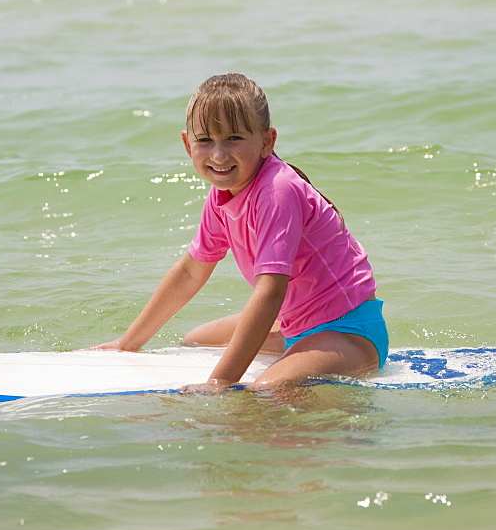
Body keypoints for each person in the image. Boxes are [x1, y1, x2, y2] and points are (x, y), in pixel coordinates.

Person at [98, 73, 388, 392]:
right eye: (205, 140)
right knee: (195, 342)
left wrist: (220, 382)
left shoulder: (278, 190)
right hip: (293, 326)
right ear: (186, 143)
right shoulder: (224, 192)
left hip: (347, 331)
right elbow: (191, 271)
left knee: (263, 392)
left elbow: (270, 292)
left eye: (234, 138)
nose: (219, 155)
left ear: (266, 141)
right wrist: (127, 344)